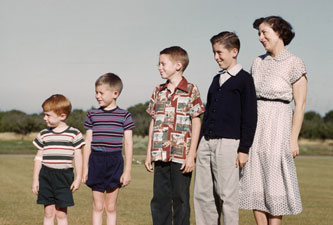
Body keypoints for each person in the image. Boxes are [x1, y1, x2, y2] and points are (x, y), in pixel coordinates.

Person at [239, 16, 307, 225]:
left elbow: (300, 105)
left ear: (279, 33)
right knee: (254, 181)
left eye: (264, 32)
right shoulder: (257, 62)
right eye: (259, 33)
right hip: (255, 128)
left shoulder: (295, 63)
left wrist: (293, 139)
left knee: (274, 181)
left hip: (279, 127)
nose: (260, 37)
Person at [193, 31, 257, 225]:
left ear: (234, 51)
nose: (216, 57)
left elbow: (250, 116)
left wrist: (244, 149)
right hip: (206, 143)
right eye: (214, 52)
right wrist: (199, 144)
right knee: (203, 195)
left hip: (229, 144)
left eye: (219, 52)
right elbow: (207, 114)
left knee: (227, 196)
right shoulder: (216, 79)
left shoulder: (245, 80)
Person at [145, 46, 205, 225]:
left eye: (163, 63)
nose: (159, 67)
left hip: (181, 155)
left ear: (178, 65)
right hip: (160, 154)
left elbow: (196, 121)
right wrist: (149, 152)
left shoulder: (191, 90)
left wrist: (192, 155)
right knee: (160, 200)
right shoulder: (158, 91)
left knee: (180, 199)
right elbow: (153, 121)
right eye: (159, 64)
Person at [82, 73, 135, 225]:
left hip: (115, 161)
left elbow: (128, 143)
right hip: (96, 161)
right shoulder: (92, 114)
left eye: (101, 92)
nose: (97, 96)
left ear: (115, 93)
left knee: (110, 207)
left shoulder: (124, 115)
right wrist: (85, 168)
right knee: (98, 206)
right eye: (96, 92)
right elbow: (88, 142)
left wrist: (127, 171)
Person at [32, 94, 85, 225]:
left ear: (62, 116)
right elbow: (38, 158)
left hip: (64, 177)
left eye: (48, 115)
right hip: (46, 175)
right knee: (48, 212)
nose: (45, 118)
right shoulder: (43, 134)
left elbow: (78, 156)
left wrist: (78, 178)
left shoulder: (74, 134)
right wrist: (35, 180)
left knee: (61, 213)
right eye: (44, 114)